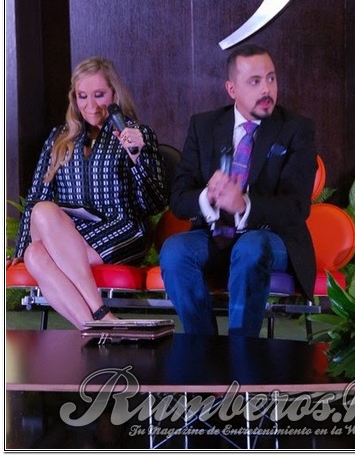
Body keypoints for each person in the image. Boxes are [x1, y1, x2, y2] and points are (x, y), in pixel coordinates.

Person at [159, 44, 317, 337]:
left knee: (251, 246)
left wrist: (243, 204)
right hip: (215, 235)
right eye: (255, 81)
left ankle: (241, 350)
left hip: (274, 238)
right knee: (175, 251)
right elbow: (179, 199)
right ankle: (203, 347)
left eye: (271, 78)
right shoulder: (203, 126)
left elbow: (296, 206)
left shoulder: (296, 129)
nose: (266, 89)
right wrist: (209, 196)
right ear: (232, 89)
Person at [6, 56, 167, 329]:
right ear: (74, 98)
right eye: (83, 96)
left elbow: (154, 203)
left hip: (123, 227)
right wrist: (20, 249)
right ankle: (96, 326)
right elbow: (36, 196)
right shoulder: (59, 137)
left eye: (99, 95)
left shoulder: (138, 133)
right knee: (35, 249)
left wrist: (137, 158)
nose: (90, 105)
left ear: (114, 94)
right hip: (73, 231)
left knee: (45, 245)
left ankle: (99, 312)